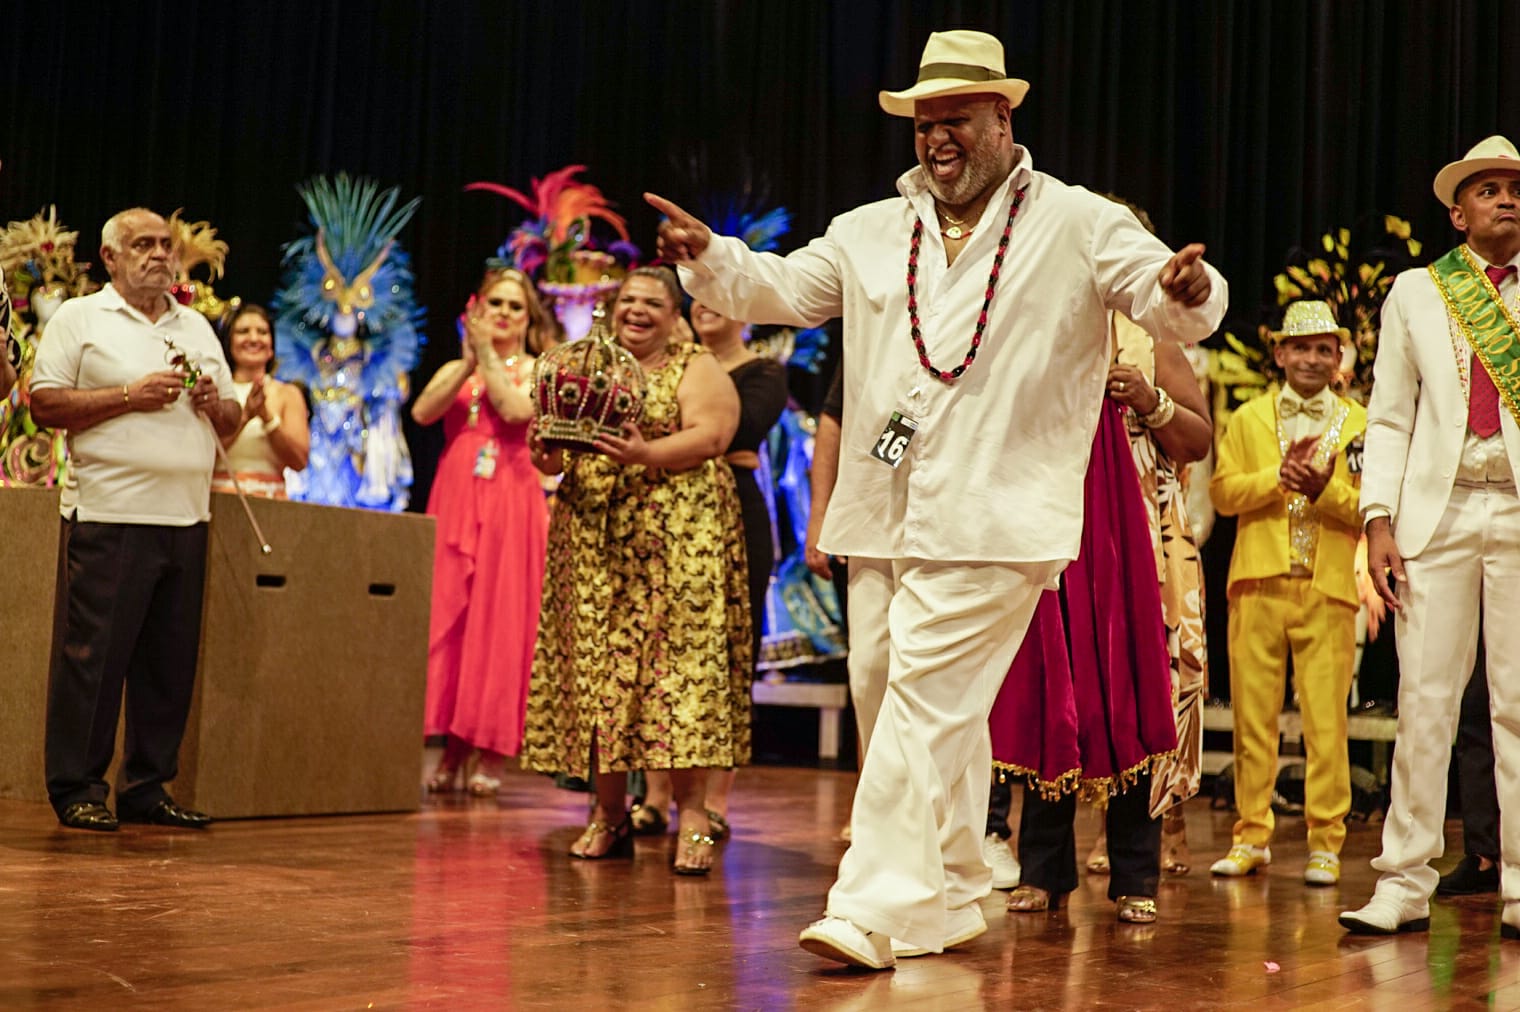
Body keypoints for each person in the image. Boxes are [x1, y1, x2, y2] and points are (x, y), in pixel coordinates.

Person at [649, 28, 1226, 968]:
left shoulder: (1078, 221)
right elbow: (781, 287)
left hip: (1001, 513)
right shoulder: (870, 228)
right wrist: (709, 254)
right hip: (884, 507)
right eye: (923, 123)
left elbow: (1163, 295)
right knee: (894, 691)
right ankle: (956, 883)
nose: (936, 138)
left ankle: (871, 907)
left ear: (1003, 117)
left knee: (922, 697)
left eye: (955, 118)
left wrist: (1186, 287)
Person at [1342, 136, 1520, 936]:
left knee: (1518, 706)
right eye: (1488, 189)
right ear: (1457, 213)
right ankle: (1403, 883)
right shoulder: (1417, 290)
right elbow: (1388, 416)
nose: (1506, 200)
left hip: (1516, 511)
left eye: (1515, 189)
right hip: (1434, 514)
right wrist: (1377, 517)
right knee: (1424, 702)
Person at [520, 267, 751, 876]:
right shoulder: (591, 363)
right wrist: (545, 449)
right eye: (628, 300)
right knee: (598, 672)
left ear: (675, 315)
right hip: (594, 542)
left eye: (652, 302)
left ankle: (693, 816)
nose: (637, 310)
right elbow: (555, 450)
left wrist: (645, 453)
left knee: (678, 678)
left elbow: (713, 435)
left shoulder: (695, 365)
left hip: (675, 541)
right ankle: (609, 814)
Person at [999, 311, 1213, 925]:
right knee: (1054, 692)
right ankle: (1042, 871)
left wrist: (1151, 401)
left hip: (1141, 545)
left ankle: (1135, 875)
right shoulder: (1037, 323)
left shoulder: (1149, 338)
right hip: (1055, 537)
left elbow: (1198, 440)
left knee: (1133, 691)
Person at [29, 207, 239, 831]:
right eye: (142, 244)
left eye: (165, 244)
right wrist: (128, 396)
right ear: (111, 257)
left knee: (168, 666)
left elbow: (232, 418)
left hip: (187, 519)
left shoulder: (196, 326)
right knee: (93, 660)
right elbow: (44, 403)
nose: (159, 254)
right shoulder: (80, 317)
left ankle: (148, 787)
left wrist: (214, 404)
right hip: (109, 515)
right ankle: (78, 787)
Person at [1207, 299, 1366, 887]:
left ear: (1338, 356)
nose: (1311, 359)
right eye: (1300, 348)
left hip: (1326, 587)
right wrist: (1274, 479)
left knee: (1326, 724)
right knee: (1253, 721)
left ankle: (1326, 842)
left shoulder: (1359, 424)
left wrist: (1325, 490)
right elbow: (1222, 494)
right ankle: (1251, 835)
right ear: (1279, 354)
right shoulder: (1249, 418)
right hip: (1258, 583)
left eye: (1323, 349)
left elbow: (1371, 506)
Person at [635, 300, 788, 838]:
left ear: (745, 310)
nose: (705, 305)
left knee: (726, 655)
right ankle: (654, 796)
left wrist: (675, 433)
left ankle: (714, 800)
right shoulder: (666, 365)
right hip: (665, 508)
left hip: (735, 512)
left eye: (720, 296)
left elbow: (736, 430)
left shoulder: (763, 371)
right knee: (658, 651)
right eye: (697, 296)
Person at [412, 268, 552, 795]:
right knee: (452, 619)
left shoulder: (537, 369)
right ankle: (451, 750)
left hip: (511, 501)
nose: (505, 313)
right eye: (496, 303)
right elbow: (423, 412)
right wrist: (468, 362)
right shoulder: (459, 369)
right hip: (456, 496)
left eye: (516, 306)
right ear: (477, 309)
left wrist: (489, 357)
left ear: (528, 318)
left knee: (499, 622)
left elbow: (515, 411)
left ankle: (490, 752)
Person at [212, 303, 310, 499]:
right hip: (219, 501)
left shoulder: (288, 394)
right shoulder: (215, 391)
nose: (253, 338)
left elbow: (299, 461)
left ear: (271, 347)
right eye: (243, 331)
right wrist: (245, 416)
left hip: (272, 504)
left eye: (262, 332)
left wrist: (268, 419)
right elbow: (203, 455)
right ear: (229, 343)